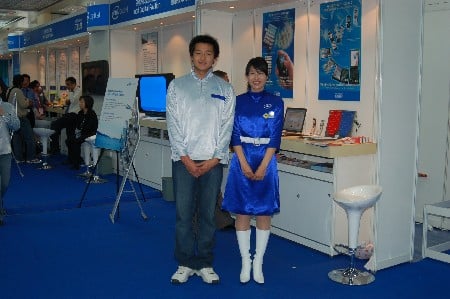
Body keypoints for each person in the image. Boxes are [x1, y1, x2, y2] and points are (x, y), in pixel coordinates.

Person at [166, 34, 235, 284]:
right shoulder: (177, 86)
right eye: (198, 53)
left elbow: (227, 127)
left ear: (215, 58)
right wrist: (185, 158)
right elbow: (173, 124)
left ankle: (205, 261)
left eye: (208, 53)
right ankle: (184, 262)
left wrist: (215, 159)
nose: (203, 57)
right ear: (191, 56)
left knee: (207, 214)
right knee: (183, 214)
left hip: (212, 163)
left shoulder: (225, 89)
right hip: (183, 161)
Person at [222, 57, 284, 284]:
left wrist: (264, 166)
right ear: (246, 77)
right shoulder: (237, 101)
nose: (256, 78)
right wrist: (245, 164)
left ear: (267, 77)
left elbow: (275, 136)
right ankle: (245, 262)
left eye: (260, 73)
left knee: (264, 212)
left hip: (267, 161)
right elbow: (234, 134)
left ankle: (258, 262)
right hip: (241, 159)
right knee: (243, 212)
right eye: (252, 73)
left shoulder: (276, 102)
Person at [6, 74, 40, 163]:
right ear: (20, 82)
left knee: (17, 139)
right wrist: (29, 101)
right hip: (21, 117)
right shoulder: (18, 91)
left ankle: (19, 158)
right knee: (30, 138)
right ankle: (31, 158)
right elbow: (24, 104)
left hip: (12, 117)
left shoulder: (9, 90)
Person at [0, 90, 20, 225]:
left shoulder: (8, 106)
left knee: (5, 183)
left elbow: (16, 126)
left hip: (4, 151)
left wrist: (4, 115)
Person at [49, 77, 82, 154]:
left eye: (68, 85)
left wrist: (70, 92)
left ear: (74, 84)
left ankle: (55, 149)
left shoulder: (78, 91)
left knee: (54, 125)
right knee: (70, 134)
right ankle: (70, 155)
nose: (67, 86)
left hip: (74, 115)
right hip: (70, 114)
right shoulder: (73, 91)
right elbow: (68, 102)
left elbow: (71, 101)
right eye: (66, 85)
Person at [65, 95, 98, 170]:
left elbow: (89, 128)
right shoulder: (80, 113)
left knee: (76, 141)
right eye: (80, 102)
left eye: (82, 102)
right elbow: (78, 125)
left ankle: (76, 164)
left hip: (90, 134)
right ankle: (75, 159)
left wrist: (79, 132)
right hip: (82, 133)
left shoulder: (92, 114)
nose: (80, 103)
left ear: (87, 103)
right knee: (68, 140)